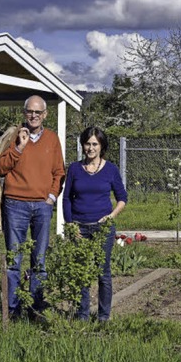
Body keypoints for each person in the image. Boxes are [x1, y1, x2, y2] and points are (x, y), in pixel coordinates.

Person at [0, 95, 65, 318]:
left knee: (39, 260)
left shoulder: (52, 139)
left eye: (38, 112)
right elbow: (0, 168)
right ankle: (13, 310)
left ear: (45, 115)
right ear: (24, 113)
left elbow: (59, 172)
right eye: (29, 112)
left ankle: (36, 308)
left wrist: (52, 197)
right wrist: (19, 148)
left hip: (42, 206)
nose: (33, 116)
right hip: (15, 205)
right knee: (14, 260)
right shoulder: (13, 136)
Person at [62, 126, 127, 322]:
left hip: (102, 228)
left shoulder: (111, 169)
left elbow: (122, 198)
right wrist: (70, 225)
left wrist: (111, 217)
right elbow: (66, 199)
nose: (90, 148)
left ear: (101, 146)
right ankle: (82, 315)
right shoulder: (74, 168)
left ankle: (103, 317)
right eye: (87, 144)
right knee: (81, 271)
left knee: (103, 272)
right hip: (79, 227)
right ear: (82, 145)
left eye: (94, 144)